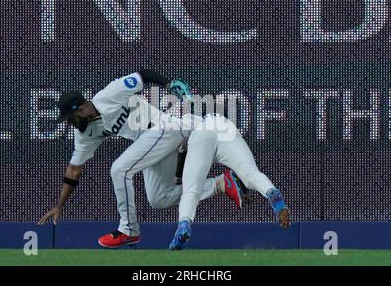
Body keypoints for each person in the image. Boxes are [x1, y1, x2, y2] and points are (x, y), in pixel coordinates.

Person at [37, 70, 248, 248]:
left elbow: (142, 75)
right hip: (151, 144)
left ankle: (128, 229)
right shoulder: (85, 133)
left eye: (69, 119)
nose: (68, 124)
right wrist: (59, 205)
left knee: (119, 169)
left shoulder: (109, 94)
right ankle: (221, 184)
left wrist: (168, 83)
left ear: (81, 109)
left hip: (163, 128)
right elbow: (74, 170)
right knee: (159, 198)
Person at [168, 114, 290, 250]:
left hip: (202, 133)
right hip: (226, 127)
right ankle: (272, 192)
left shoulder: (175, 127)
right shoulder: (187, 120)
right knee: (250, 173)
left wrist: (178, 178)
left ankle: (184, 225)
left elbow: (181, 154)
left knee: (191, 191)